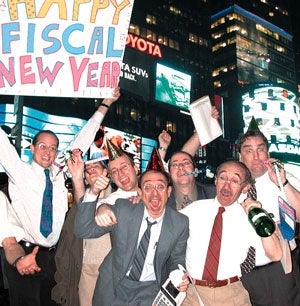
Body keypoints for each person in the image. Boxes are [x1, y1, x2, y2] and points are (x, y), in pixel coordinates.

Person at [0, 87, 120, 306]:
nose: (48, 152)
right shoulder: (19, 171)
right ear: (32, 148)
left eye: (53, 148)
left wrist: (105, 104)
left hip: (53, 259)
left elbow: (81, 142)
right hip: (22, 251)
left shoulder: (57, 174)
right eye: (43, 146)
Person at [74, 168, 190, 306]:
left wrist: (178, 277)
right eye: (148, 187)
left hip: (151, 290)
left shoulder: (180, 222)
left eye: (160, 186)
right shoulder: (124, 209)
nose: (154, 193)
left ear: (168, 191)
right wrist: (93, 193)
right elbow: (83, 230)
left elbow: (176, 259)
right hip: (115, 286)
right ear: (140, 192)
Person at [180, 160, 282, 306]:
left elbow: (276, 254)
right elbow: (163, 222)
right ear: (215, 180)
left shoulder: (249, 218)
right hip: (193, 294)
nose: (226, 185)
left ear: (245, 187)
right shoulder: (194, 210)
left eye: (235, 180)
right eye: (222, 178)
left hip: (230, 295)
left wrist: (259, 215)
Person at [237, 125, 300, 306]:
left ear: (268, 153)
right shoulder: (232, 184)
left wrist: (283, 182)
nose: (256, 156)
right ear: (240, 157)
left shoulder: (281, 178)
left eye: (260, 149)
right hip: (240, 274)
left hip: (277, 270)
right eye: (249, 151)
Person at [51, 151, 112, 306]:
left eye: (96, 166)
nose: (90, 169)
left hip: (113, 271)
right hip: (85, 271)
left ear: (106, 172)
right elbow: (84, 206)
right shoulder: (78, 207)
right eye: (87, 168)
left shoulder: (120, 199)